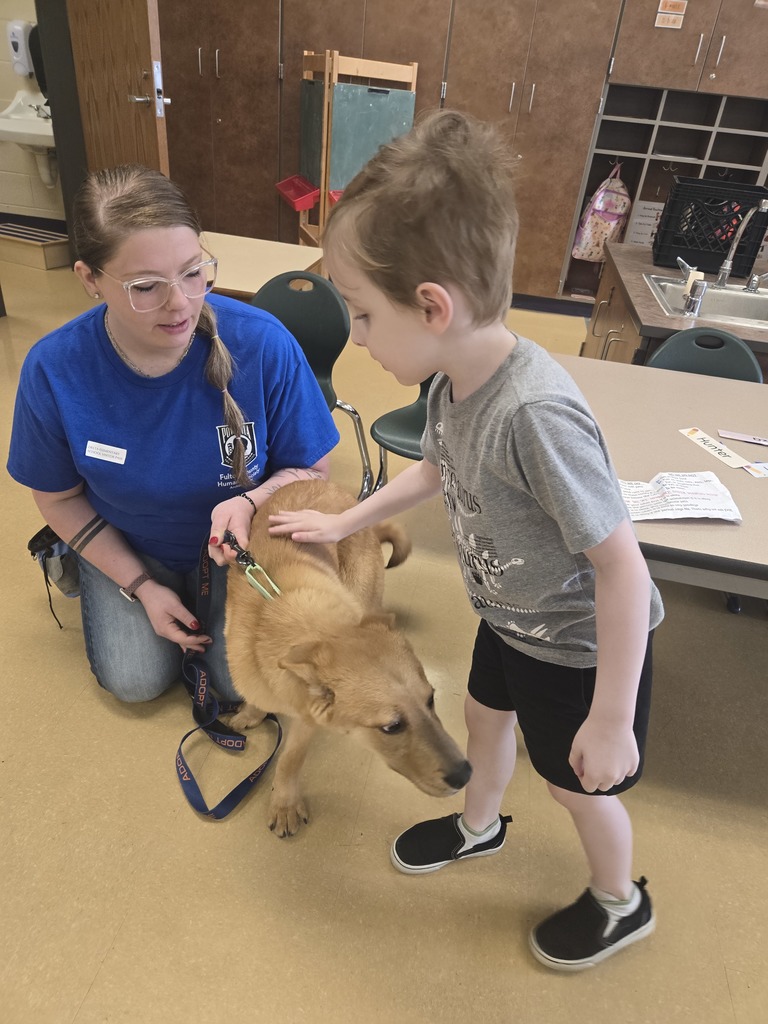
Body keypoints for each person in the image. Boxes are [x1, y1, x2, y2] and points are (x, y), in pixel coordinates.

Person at [267, 110, 664, 971]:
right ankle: (479, 823)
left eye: (364, 318)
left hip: (579, 648)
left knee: (575, 785)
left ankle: (618, 901)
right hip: (511, 618)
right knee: (484, 715)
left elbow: (622, 570)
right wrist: (344, 521)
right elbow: (439, 472)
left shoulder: (535, 415)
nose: (360, 339)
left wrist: (610, 717)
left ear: (433, 305)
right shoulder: (457, 381)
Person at [7, 165, 339, 704]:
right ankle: (126, 589)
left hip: (240, 549)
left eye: (193, 272)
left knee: (241, 690)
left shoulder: (263, 343)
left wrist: (253, 501)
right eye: (145, 287)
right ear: (89, 279)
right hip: (130, 543)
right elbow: (58, 497)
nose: (181, 303)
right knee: (135, 682)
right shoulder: (54, 367)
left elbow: (314, 472)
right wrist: (140, 586)